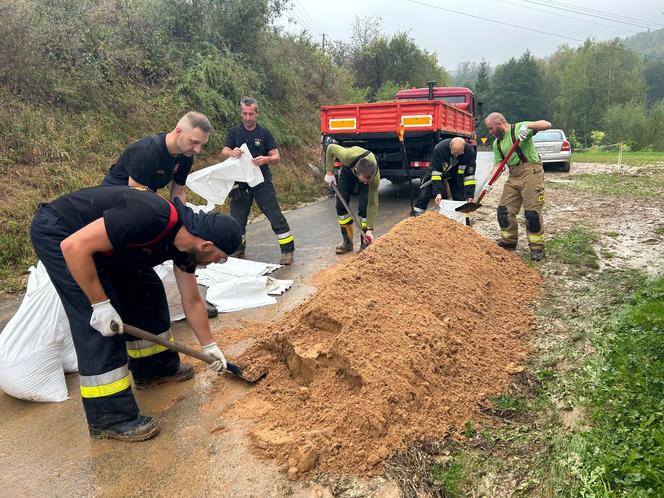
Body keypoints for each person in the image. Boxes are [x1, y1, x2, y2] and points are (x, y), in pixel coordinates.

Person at [30, 185, 242, 442]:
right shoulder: (151, 216)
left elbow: (192, 299)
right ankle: (110, 417)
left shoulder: (187, 247)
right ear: (207, 245)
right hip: (61, 232)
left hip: (105, 247)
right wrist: (99, 305)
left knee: (147, 290)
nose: (217, 263)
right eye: (220, 259)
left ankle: (154, 369)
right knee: (100, 324)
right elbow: (74, 247)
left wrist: (209, 345)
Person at [222, 97, 294, 265]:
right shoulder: (234, 132)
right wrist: (231, 153)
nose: (248, 118)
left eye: (251, 114)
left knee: (274, 215)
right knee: (237, 220)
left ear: (257, 113)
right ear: (241, 113)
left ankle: (287, 250)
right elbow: (223, 152)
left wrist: (266, 159)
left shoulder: (264, 133)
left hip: (262, 181)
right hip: (240, 183)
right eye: (244, 114)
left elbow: (276, 156)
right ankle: (238, 248)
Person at [102, 111, 211, 203]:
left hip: (146, 195)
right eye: (194, 142)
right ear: (178, 131)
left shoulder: (186, 156)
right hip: (114, 195)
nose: (197, 150)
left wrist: (183, 219)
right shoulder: (148, 151)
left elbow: (178, 193)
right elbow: (136, 196)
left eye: (202, 144)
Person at [485, 112, 551, 261]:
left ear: (499, 124)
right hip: (513, 175)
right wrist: (489, 183)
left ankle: (537, 248)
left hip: (531, 172)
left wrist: (528, 126)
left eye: (490, 128)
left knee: (532, 213)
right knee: (504, 210)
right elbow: (498, 164)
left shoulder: (519, 129)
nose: (490, 132)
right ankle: (509, 242)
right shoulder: (498, 143)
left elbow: (547, 124)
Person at [323, 143, 380, 254]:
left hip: (364, 171)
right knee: (340, 204)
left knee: (364, 205)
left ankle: (364, 242)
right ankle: (347, 241)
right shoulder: (347, 156)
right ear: (357, 173)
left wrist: (370, 230)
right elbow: (330, 148)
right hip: (349, 168)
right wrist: (329, 172)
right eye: (363, 180)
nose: (364, 183)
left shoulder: (374, 177)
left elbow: (373, 203)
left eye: (367, 181)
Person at [413, 137, 477, 216]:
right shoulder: (440, 149)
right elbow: (436, 174)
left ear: (464, 148)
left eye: (459, 154)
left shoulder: (469, 152)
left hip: (457, 174)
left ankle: (462, 216)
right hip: (440, 169)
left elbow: (469, 177)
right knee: (427, 187)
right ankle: (417, 211)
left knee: (460, 194)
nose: (456, 155)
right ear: (450, 146)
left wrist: (470, 195)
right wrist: (438, 193)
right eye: (454, 153)